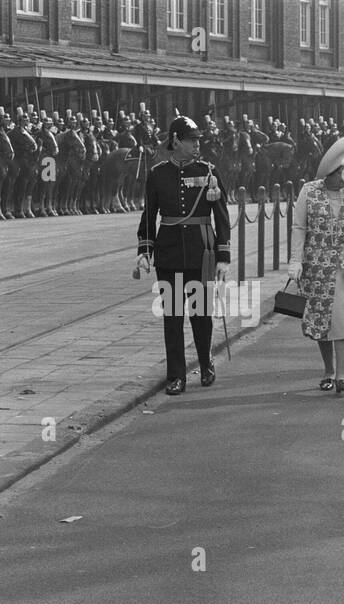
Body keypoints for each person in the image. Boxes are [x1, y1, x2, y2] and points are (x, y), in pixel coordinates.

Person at [135, 115, 231, 395]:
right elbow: (150, 214)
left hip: (202, 251)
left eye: (198, 140)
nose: (197, 144)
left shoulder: (208, 171)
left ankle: (205, 362)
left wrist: (223, 256)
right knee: (173, 316)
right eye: (191, 140)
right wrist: (145, 250)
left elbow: (221, 215)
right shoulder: (158, 173)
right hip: (168, 253)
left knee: (201, 314)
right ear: (176, 140)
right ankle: (176, 375)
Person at [286, 137, 344, 395]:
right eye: (341, 173)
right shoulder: (309, 191)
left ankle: (342, 373)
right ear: (331, 171)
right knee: (322, 318)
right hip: (316, 265)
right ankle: (328, 369)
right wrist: (295, 260)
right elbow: (300, 227)